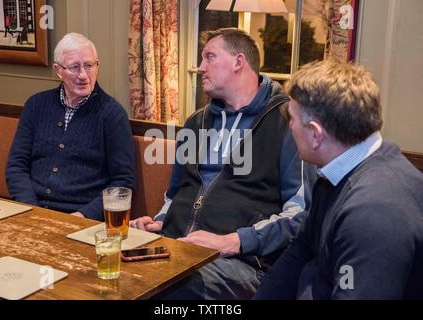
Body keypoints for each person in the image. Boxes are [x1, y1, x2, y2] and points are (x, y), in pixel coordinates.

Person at [131, 28, 316, 299]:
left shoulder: (286, 123)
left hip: (241, 261)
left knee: (169, 290)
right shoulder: (196, 122)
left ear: (239, 62)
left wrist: (234, 241)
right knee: (111, 271)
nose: (201, 67)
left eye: (209, 57)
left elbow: (299, 215)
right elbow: (175, 192)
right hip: (175, 248)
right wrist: (160, 221)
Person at [254, 59, 423, 300]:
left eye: (290, 118)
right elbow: (300, 251)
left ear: (315, 134)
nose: (289, 126)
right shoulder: (338, 171)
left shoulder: (375, 213)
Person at [6, 33, 134, 221]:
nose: (83, 75)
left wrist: (80, 217)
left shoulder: (112, 115)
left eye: (89, 65)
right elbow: (16, 166)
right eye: (75, 67)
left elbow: (123, 183)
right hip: (30, 212)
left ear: (97, 65)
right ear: (59, 70)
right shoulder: (36, 105)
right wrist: (31, 211)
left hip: (81, 220)